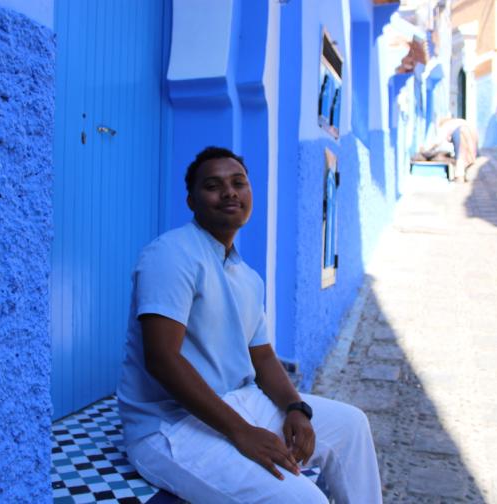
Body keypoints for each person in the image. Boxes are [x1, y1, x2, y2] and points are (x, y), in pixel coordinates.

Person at [117, 146, 383, 503]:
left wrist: (295, 409)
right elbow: (162, 359)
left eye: (238, 182)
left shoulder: (246, 276)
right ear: (191, 201)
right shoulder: (172, 254)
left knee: (351, 425)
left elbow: (263, 358)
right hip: (170, 426)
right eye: (213, 185)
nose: (229, 192)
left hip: (241, 402)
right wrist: (242, 432)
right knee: (306, 501)